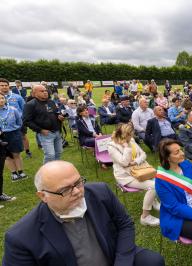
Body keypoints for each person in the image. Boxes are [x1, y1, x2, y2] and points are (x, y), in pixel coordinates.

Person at [2, 160, 164, 265]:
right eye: (65, 189)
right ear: (43, 196)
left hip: (114, 257)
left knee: (153, 261)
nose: (78, 192)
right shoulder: (20, 238)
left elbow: (125, 224)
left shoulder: (100, 192)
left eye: (78, 182)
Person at [108, 123, 160, 226]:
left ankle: (153, 201)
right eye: (130, 134)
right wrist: (127, 147)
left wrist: (136, 161)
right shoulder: (112, 146)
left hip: (139, 169)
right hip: (126, 176)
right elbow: (124, 162)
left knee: (159, 179)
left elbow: (143, 154)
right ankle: (145, 217)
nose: (132, 136)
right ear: (124, 134)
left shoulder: (131, 140)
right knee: (155, 186)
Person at [23, 85, 64, 164]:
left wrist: (60, 117)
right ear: (34, 93)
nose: (45, 92)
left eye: (45, 90)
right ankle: (46, 173)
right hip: (45, 134)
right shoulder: (30, 105)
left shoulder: (51, 102)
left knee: (59, 152)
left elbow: (55, 114)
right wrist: (40, 130)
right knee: (50, 155)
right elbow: (26, 121)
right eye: (42, 91)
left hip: (57, 132)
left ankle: (57, 171)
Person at [0, 93, 28, 181]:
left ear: (5, 99)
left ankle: (20, 171)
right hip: (2, 135)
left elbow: (19, 122)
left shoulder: (13, 110)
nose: (1, 100)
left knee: (16, 153)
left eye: (2, 98)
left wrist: (14, 129)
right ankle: (14, 173)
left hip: (14, 134)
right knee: (7, 155)